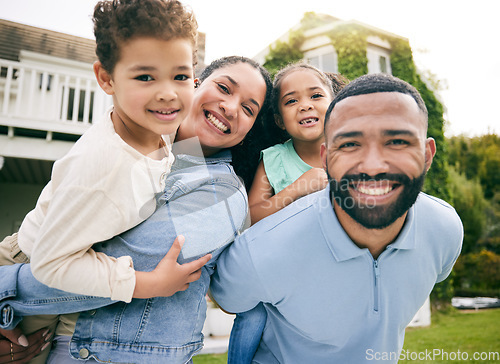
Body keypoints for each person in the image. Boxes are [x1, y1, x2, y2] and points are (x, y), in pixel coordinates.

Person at [0, 55, 272, 364]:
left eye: (248, 109)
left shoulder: (221, 193)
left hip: (86, 340)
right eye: (224, 88)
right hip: (31, 277)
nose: (231, 107)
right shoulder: (137, 133)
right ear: (195, 84)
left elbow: (129, 267)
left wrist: (4, 289)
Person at [210, 73, 463, 363]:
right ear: (327, 158)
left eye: (396, 141)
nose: (373, 166)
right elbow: (229, 294)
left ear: (427, 154)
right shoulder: (264, 250)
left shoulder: (445, 230)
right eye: (350, 144)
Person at [0, 0, 208, 305]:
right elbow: (50, 262)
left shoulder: (153, 130)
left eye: (180, 76)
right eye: (145, 77)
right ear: (106, 79)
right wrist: (149, 284)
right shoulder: (103, 164)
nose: (168, 92)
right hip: (23, 267)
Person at [228, 64, 346, 363]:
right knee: (252, 317)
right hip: (276, 274)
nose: (305, 104)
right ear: (279, 120)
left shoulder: (350, 155)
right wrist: (295, 189)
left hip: (331, 275)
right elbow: (251, 217)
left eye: (316, 95)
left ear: (335, 106)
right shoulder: (275, 159)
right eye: (291, 100)